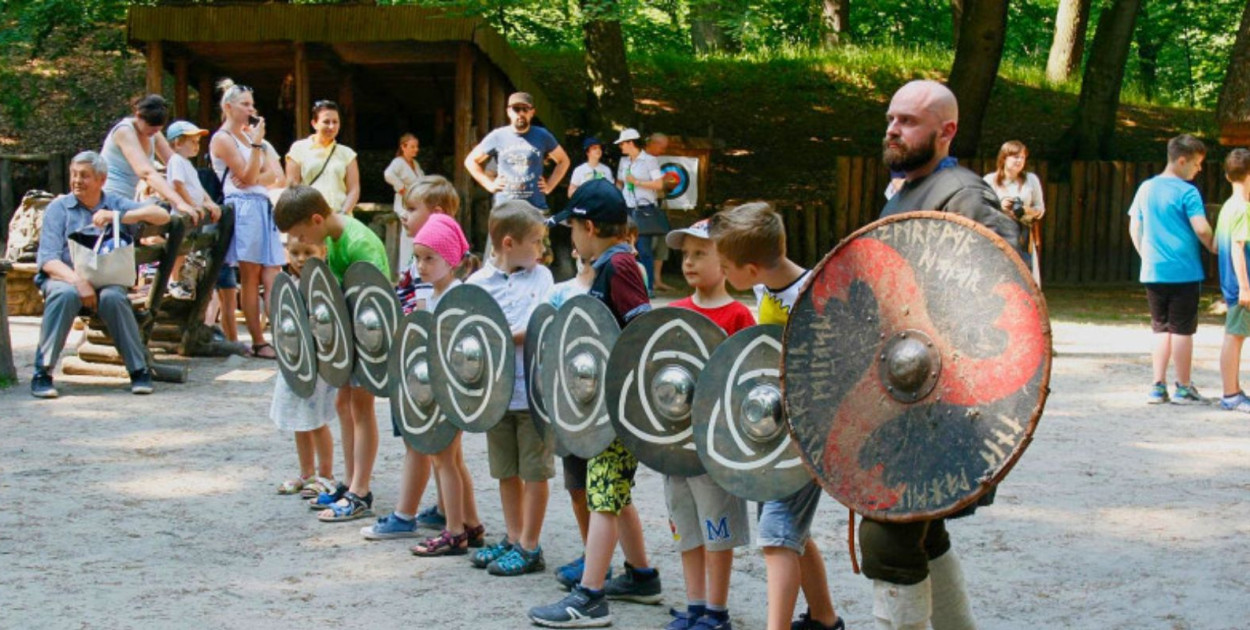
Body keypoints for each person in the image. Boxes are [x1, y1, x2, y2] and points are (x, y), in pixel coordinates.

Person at [866, 79, 1026, 630]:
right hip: (903, 404)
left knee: (886, 533)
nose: (893, 128)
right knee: (923, 534)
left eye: (908, 120)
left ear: (946, 130)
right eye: (891, 118)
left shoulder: (963, 195)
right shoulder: (908, 190)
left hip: (942, 407)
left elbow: (1008, 294)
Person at [529, 178, 660, 628]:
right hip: (611, 405)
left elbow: (641, 333)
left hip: (616, 409)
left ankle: (591, 596)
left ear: (587, 226)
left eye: (572, 229)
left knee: (603, 498)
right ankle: (642, 576)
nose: (571, 237)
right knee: (615, 495)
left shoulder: (619, 267)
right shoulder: (613, 265)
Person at [708, 203, 844, 630]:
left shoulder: (812, 297)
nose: (724, 274)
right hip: (774, 430)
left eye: (727, 267)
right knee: (790, 532)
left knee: (776, 533)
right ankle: (824, 620)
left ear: (750, 268)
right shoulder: (766, 288)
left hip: (807, 434)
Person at [274, 185, 390, 522]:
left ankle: (361, 491)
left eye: (299, 233)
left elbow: (373, 299)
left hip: (367, 338)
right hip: (347, 341)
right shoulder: (334, 240)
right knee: (344, 404)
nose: (299, 241)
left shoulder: (358, 243)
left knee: (362, 409)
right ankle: (350, 481)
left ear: (315, 219)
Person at [661, 218, 755, 630]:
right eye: (686, 255)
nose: (690, 263)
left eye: (701, 254)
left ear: (726, 261)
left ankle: (717, 612)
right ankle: (695, 604)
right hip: (675, 445)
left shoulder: (738, 315)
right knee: (686, 526)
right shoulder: (674, 312)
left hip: (715, 448)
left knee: (717, 529)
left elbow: (748, 378)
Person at [463, 200, 556, 577]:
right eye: (535, 241)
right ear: (507, 242)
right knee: (505, 471)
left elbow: (540, 324)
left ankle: (530, 546)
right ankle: (514, 536)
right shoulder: (476, 285)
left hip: (532, 392)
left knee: (534, 471)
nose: (541, 249)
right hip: (496, 394)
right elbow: (467, 333)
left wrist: (498, 335)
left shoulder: (542, 277)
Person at [31, 151, 169, 398]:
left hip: (107, 279)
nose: (76, 181)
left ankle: (138, 371)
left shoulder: (113, 202)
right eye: (74, 174)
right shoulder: (58, 208)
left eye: (84, 176)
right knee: (65, 295)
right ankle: (42, 372)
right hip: (64, 277)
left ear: (101, 180)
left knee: (113, 298)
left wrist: (118, 216)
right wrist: (78, 281)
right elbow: (48, 259)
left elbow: (163, 215)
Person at [404, 213, 488, 555]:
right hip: (434, 389)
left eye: (430, 258)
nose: (422, 266)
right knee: (452, 458)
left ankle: (454, 531)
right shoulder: (429, 294)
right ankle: (471, 522)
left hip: (451, 389)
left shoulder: (459, 296)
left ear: (451, 260)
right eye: (418, 258)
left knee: (443, 458)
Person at [1128, 134, 1215, 405]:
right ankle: (1184, 386)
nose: (1199, 169)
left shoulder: (1146, 188)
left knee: (1160, 328)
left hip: (1154, 271)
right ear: (1181, 160)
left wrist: (1146, 256)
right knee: (1182, 330)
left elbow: (1135, 227)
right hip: (1184, 271)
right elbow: (1200, 227)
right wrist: (1214, 246)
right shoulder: (1187, 192)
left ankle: (1157, 385)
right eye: (1197, 164)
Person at [209, 79, 287, 360]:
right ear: (228, 107)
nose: (251, 109)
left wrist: (256, 165)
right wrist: (256, 153)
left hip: (263, 206)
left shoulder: (258, 140)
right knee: (251, 276)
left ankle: (281, 336)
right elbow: (250, 176)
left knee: (273, 274)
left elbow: (278, 176)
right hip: (241, 209)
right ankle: (257, 340)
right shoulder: (223, 139)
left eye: (252, 104)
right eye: (245, 104)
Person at [272, 235, 338, 498]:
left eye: (308, 252)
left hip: (319, 365)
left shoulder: (325, 286)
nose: (301, 259)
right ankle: (306, 472)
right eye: (295, 252)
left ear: (322, 252)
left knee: (317, 420)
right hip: (295, 361)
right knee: (299, 420)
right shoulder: (290, 284)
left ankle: (326, 474)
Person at [465, 92, 570, 213]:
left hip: (535, 208)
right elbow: (470, 161)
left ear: (532, 112)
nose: (521, 113)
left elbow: (563, 161)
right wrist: (489, 185)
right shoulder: (497, 136)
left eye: (525, 109)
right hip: (505, 208)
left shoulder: (543, 135)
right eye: (516, 109)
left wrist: (550, 186)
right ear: (509, 112)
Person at [100, 94, 194, 216]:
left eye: (157, 129)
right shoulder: (124, 131)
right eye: (151, 128)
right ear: (138, 116)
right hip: (111, 198)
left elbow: (177, 166)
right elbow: (146, 173)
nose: (154, 132)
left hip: (129, 199)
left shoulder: (155, 134)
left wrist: (203, 200)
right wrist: (178, 202)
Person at [163, 120, 222, 300]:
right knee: (178, 249)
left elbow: (198, 188)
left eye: (198, 142)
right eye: (193, 142)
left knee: (187, 250)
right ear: (178, 143)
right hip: (182, 215)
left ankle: (184, 282)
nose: (197, 146)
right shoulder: (176, 161)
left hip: (193, 215)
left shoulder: (187, 164)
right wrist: (190, 205)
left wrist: (209, 202)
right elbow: (178, 185)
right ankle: (173, 282)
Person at [1215, 149, 1250, 413]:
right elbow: (1237, 248)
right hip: (1242, 287)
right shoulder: (1243, 209)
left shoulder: (1227, 207)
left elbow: (1217, 245)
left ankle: (1234, 391)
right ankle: (1230, 394)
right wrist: (1246, 288)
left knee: (1235, 335)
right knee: (1235, 336)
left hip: (1231, 283)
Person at [983, 140, 1045, 282]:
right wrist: (1001, 207)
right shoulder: (989, 180)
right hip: (997, 234)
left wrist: (1024, 211)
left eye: (1022, 157)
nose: (1019, 161)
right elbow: (981, 209)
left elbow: (1040, 209)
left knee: (1024, 276)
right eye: (1015, 157)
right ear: (1004, 158)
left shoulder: (1031, 179)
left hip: (1023, 236)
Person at [286, 100, 361, 215]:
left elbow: (354, 189)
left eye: (335, 122)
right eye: (326, 122)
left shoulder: (347, 154)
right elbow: (292, 186)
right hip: (310, 217)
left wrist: (343, 213)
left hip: (340, 218)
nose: (331, 126)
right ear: (314, 123)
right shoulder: (298, 149)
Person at [615, 128, 666, 293]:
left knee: (643, 249)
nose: (620, 146)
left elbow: (659, 184)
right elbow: (619, 183)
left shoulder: (649, 160)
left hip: (643, 210)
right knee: (624, 247)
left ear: (631, 143)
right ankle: (628, 285)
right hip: (626, 208)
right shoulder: (624, 162)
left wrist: (637, 182)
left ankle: (648, 286)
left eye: (622, 143)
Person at [385, 133, 425, 271]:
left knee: (416, 236)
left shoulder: (415, 164)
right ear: (403, 147)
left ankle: (414, 268)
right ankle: (404, 270)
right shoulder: (398, 162)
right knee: (408, 236)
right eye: (412, 147)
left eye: (416, 147)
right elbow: (388, 174)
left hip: (417, 203)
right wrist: (401, 188)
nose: (416, 149)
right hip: (404, 204)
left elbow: (422, 179)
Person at [646, 132, 676, 293]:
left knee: (662, 244)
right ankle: (647, 281)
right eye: (662, 147)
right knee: (649, 245)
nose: (663, 151)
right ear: (654, 143)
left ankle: (657, 280)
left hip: (659, 208)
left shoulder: (656, 161)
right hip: (645, 209)